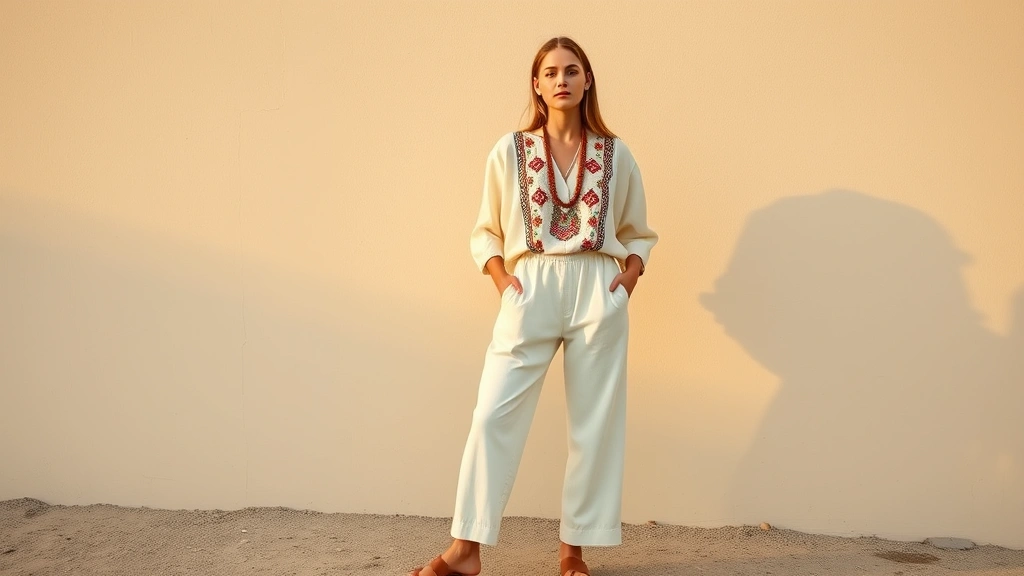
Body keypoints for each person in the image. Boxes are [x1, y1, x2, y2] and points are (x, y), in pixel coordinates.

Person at [410, 36, 658, 576]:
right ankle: (465, 550)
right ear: (537, 85)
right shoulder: (510, 151)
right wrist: (505, 282)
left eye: (571, 70)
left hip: (597, 285)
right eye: (550, 72)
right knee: (491, 414)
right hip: (530, 285)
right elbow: (486, 230)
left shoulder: (616, 153)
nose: (561, 80)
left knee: (594, 424)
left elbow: (638, 230)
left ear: (587, 80)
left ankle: (574, 551)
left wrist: (628, 278)